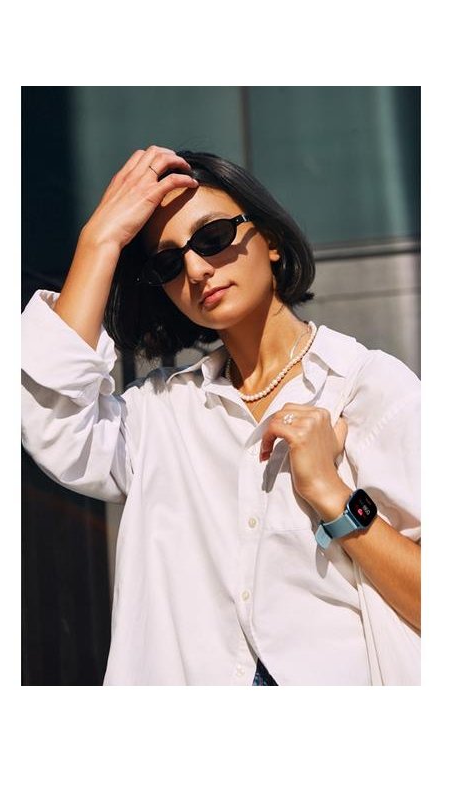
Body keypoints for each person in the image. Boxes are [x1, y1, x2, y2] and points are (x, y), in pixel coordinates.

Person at [21, 146, 421, 685]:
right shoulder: (160, 415)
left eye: (212, 237)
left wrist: (332, 495)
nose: (194, 268)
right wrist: (100, 241)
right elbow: (51, 419)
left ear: (270, 241)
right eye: (167, 263)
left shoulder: (368, 389)